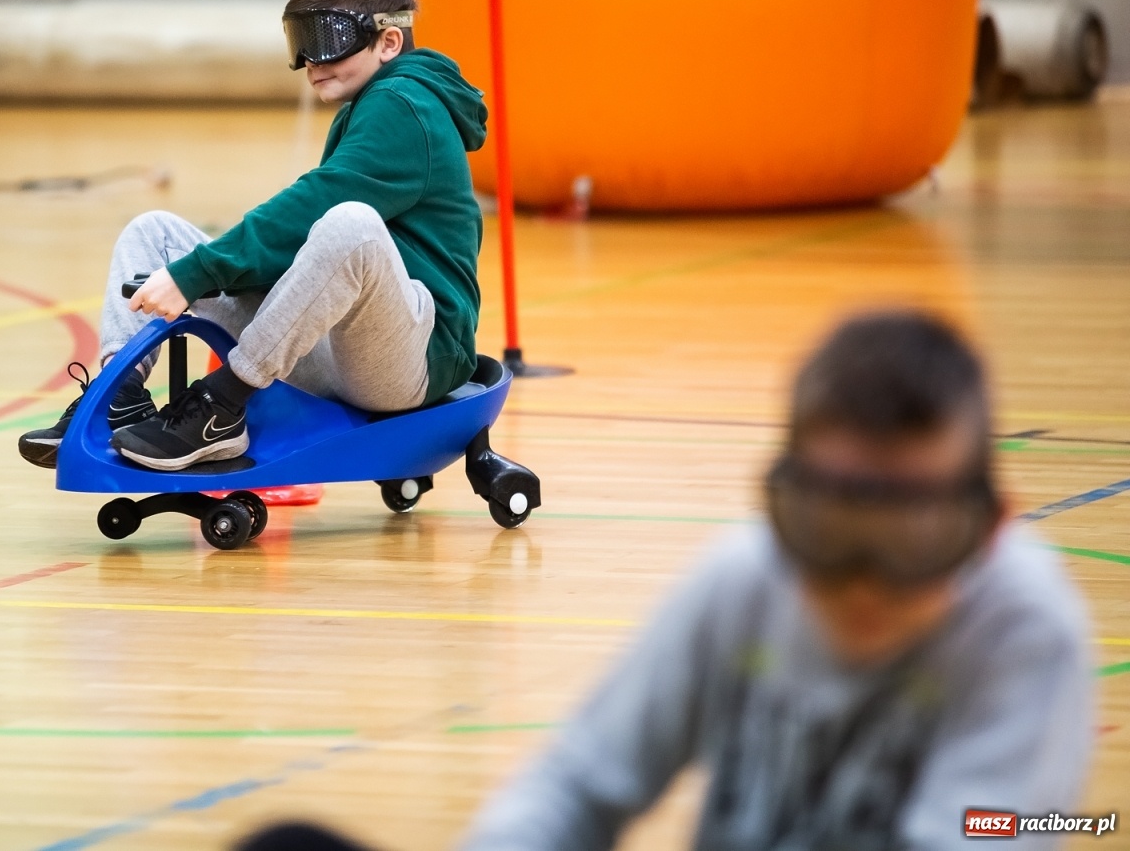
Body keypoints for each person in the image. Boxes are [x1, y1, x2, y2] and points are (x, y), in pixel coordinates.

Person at [460, 310, 1095, 850]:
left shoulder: (1025, 632)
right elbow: (576, 784)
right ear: (780, 507)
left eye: (913, 541)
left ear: (989, 529)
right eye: (830, 532)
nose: (865, 585)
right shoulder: (744, 582)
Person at [18, 0, 486, 472]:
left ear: (388, 42)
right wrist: (202, 269)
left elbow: (319, 205)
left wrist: (199, 273)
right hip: (337, 345)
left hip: (408, 359)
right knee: (153, 234)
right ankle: (117, 399)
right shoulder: (374, 99)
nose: (311, 60)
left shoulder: (406, 105)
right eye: (300, 41)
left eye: (328, 38)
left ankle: (222, 406)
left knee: (349, 224)